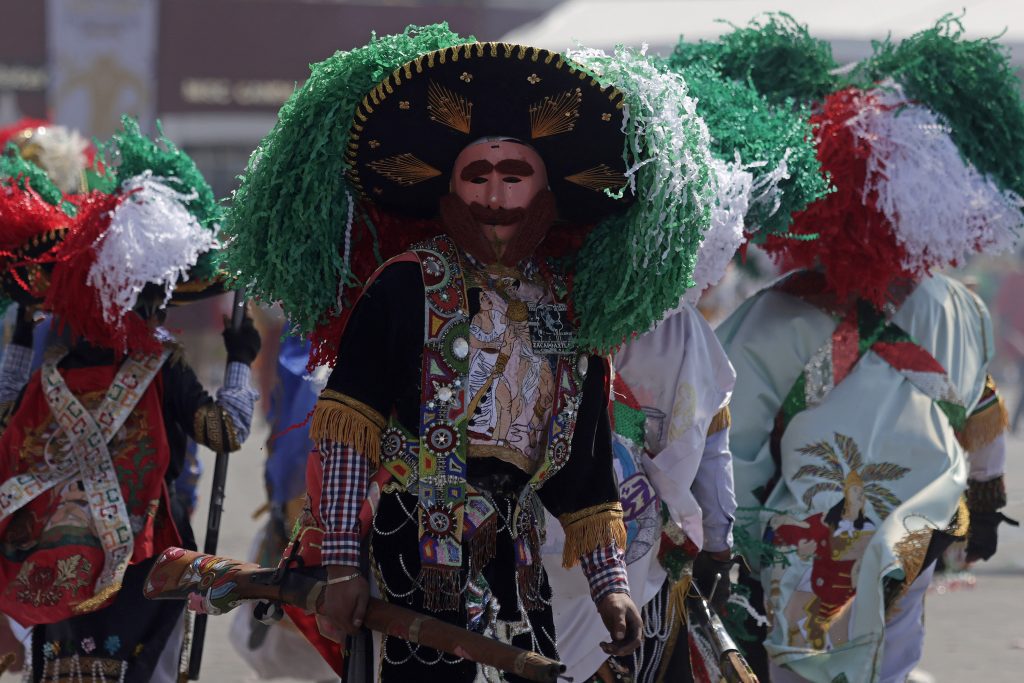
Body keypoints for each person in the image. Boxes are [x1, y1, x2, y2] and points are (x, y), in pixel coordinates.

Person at [219, 25, 721, 681]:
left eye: (513, 176)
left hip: (519, 565)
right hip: (409, 559)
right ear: (449, 189)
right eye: (476, 176)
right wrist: (342, 558)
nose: (493, 197)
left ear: (546, 189)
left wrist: (611, 584)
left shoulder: (568, 310)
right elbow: (350, 426)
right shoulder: (405, 284)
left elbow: (588, 467)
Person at [683, 15, 1022, 683]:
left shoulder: (773, 315)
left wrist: (722, 540)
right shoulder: (960, 306)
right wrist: (985, 498)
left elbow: (724, 437)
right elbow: (982, 413)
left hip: (806, 552)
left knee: (805, 668)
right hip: (918, 536)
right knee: (888, 664)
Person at [539, 43, 829, 683]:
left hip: (551, 568)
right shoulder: (683, 334)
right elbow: (713, 452)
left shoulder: (530, 310)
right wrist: (719, 544)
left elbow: (714, 442)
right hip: (633, 568)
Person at [0, 118, 261, 682]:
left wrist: (21, 338)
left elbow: (2, 418)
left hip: (55, 567)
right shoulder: (160, 364)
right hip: (144, 563)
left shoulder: (52, 370)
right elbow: (226, 433)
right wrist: (240, 360)